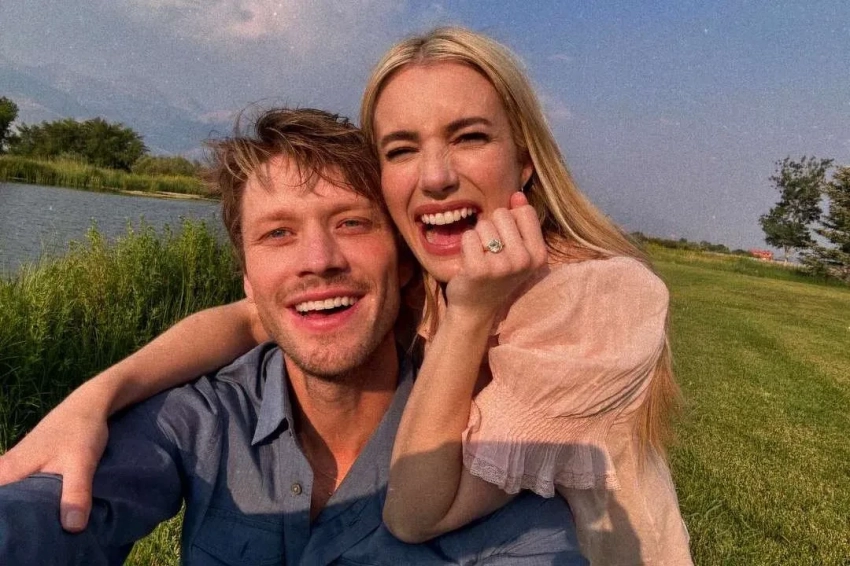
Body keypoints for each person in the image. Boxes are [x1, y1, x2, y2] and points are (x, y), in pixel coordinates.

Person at [0, 27, 692, 564]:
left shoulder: (594, 298)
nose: (436, 176)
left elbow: (420, 514)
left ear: (526, 160)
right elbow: (250, 319)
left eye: (470, 136)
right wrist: (93, 398)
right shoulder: (431, 280)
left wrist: (471, 316)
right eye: (401, 148)